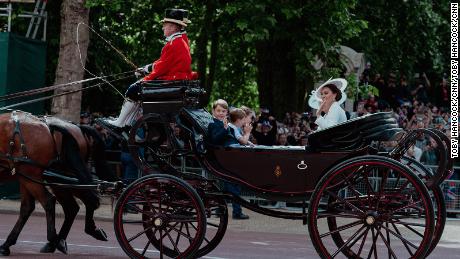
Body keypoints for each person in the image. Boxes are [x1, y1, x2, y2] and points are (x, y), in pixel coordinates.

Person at [98, 8, 196, 133]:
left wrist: (145, 78)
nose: (163, 28)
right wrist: (146, 68)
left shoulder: (174, 44)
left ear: (173, 27)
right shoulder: (180, 41)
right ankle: (126, 123)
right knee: (137, 90)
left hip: (171, 81)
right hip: (176, 80)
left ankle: (120, 123)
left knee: (133, 89)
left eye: (165, 25)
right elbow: (164, 63)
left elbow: (162, 68)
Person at [207, 99, 249, 220]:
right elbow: (214, 139)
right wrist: (225, 129)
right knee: (233, 184)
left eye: (223, 111)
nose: (221, 113)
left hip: (230, 155)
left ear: (227, 112)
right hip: (225, 156)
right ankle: (237, 211)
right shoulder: (213, 124)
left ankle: (221, 209)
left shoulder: (224, 124)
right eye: (218, 110)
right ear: (213, 111)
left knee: (229, 186)